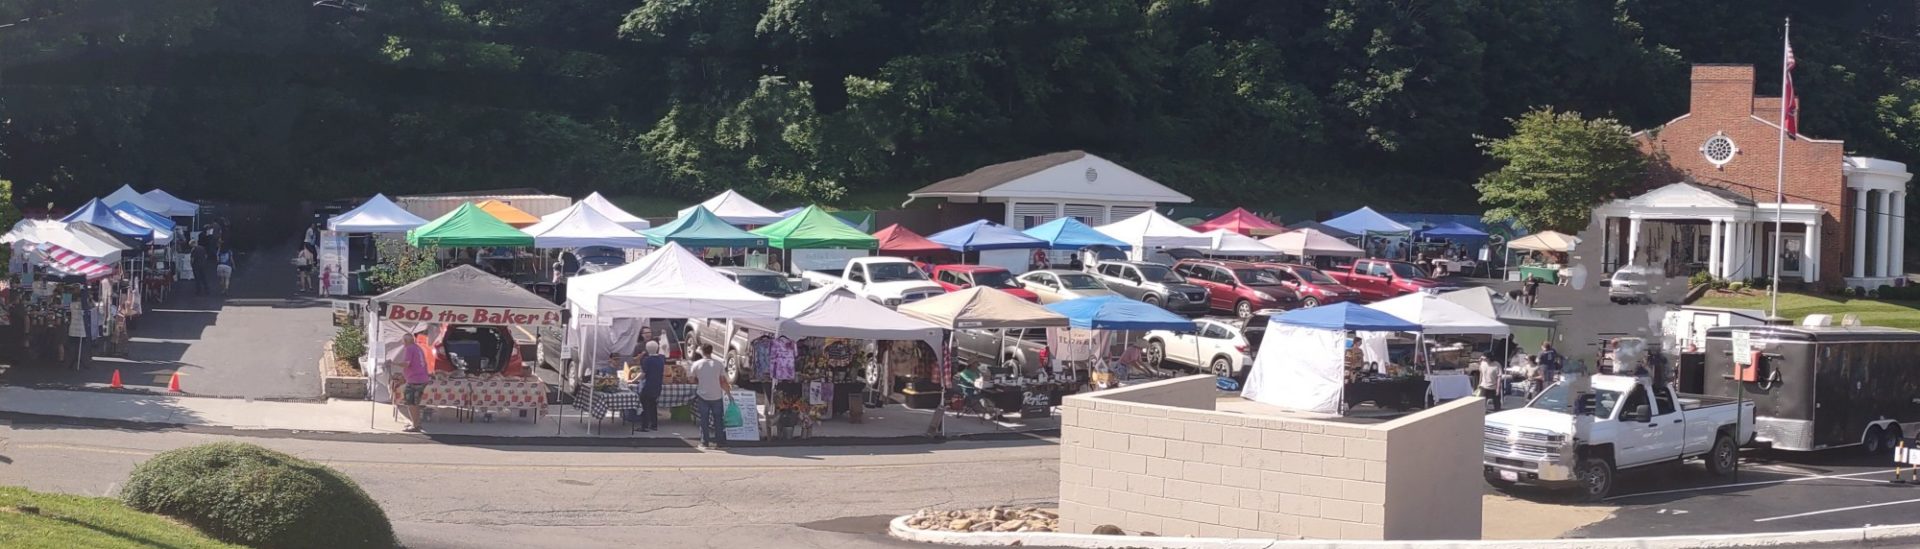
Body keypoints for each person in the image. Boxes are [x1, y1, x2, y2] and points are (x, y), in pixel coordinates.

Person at [686, 344, 732, 449]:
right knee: (718, 420)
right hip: (717, 395)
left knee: (704, 420)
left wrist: (699, 379)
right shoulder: (718, 364)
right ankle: (720, 442)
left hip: (703, 395)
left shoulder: (696, 364)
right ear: (711, 351)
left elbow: (691, 380)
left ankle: (704, 442)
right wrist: (729, 394)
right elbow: (723, 381)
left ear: (702, 351)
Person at [629, 341, 666, 432]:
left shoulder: (647, 360)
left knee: (644, 406)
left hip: (648, 385)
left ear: (647, 349)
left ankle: (644, 426)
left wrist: (633, 380)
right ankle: (654, 425)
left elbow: (643, 374)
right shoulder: (661, 359)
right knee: (653, 405)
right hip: (657, 385)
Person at [399, 333, 432, 432]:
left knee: (411, 403)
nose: (402, 343)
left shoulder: (409, 349)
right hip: (422, 378)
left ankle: (415, 425)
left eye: (403, 341)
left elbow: (406, 364)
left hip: (415, 380)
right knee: (415, 403)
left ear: (406, 341)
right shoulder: (418, 348)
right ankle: (416, 423)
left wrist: (393, 363)